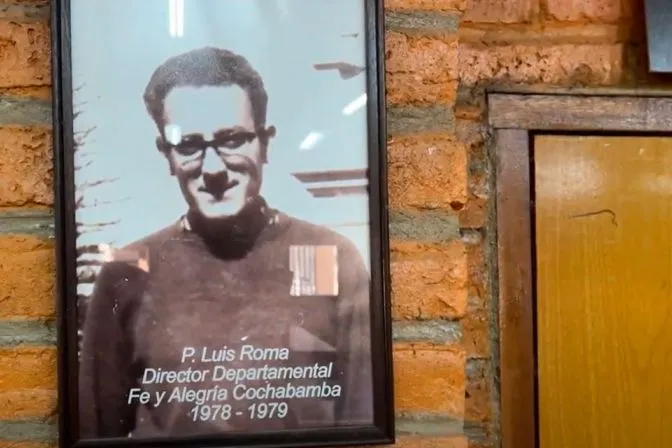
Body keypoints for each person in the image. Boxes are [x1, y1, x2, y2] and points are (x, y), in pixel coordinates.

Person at [78, 46, 373, 439]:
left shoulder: (331, 259)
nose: (213, 168)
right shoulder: (127, 275)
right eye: (188, 146)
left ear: (265, 143)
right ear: (166, 155)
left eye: (232, 140)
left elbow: (361, 421)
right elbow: (95, 434)